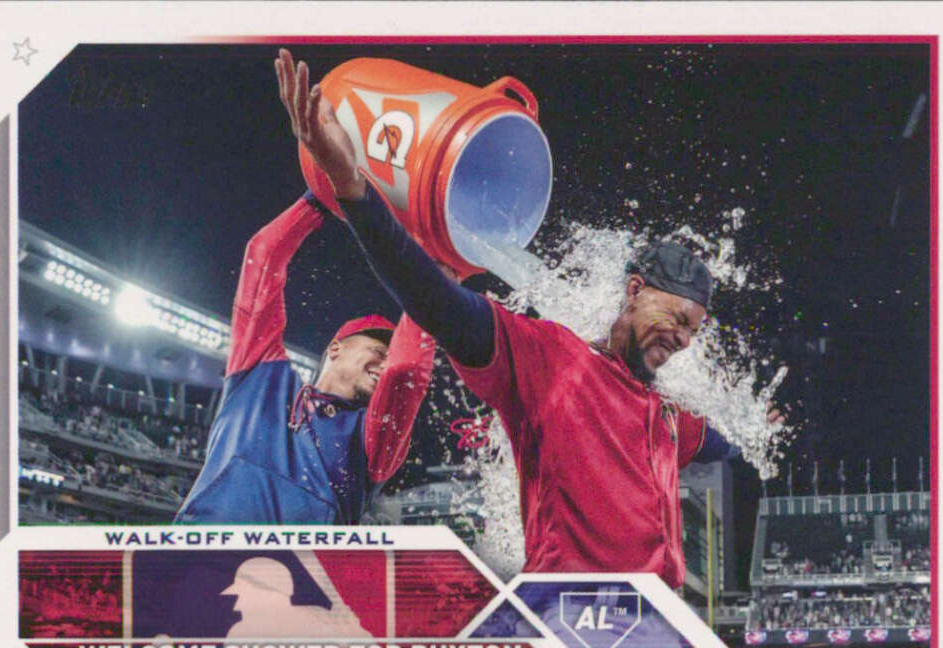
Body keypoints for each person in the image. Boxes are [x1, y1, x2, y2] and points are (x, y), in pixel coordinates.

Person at [282, 50, 779, 586]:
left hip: (653, 630)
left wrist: (754, 429)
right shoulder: (552, 359)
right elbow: (433, 301)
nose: (683, 339)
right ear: (634, 291)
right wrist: (354, 190)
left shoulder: (668, 413)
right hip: (572, 621)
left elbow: (720, 440)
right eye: (677, 318)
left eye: (693, 330)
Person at [174, 54, 435, 525]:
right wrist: (327, 186)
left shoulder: (370, 443)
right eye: (375, 348)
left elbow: (407, 374)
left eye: (388, 350)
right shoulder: (260, 380)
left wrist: (435, 270)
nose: (385, 359)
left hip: (299, 593)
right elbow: (263, 256)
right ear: (334, 348)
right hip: (190, 572)